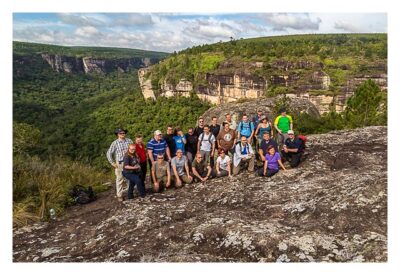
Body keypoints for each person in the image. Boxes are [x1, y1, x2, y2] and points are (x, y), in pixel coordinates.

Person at [106, 128, 133, 202]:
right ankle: (119, 195)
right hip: (120, 163)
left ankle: (130, 193)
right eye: (121, 133)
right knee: (120, 179)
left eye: (123, 133)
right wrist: (112, 163)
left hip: (129, 162)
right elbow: (109, 153)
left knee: (129, 178)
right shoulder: (115, 143)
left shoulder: (129, 141)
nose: (122, 134)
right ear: (118, 134)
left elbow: (133, 150)